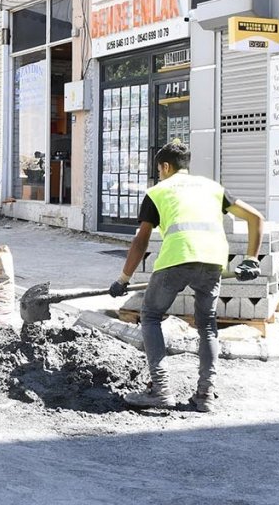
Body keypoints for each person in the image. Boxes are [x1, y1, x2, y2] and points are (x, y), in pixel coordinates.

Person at [109, 141, 263, 412]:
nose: (159, 174)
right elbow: (256, 218)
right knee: (207, 325)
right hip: (214, 260)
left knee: (152, 316)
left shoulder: (157, 192)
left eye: (159, 169)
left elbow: (140, 241)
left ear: (166, 166)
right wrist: (251, 259)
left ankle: (160, 390)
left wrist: (123, 279)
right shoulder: (213, 188)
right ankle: (205, 394)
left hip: (176, 258)